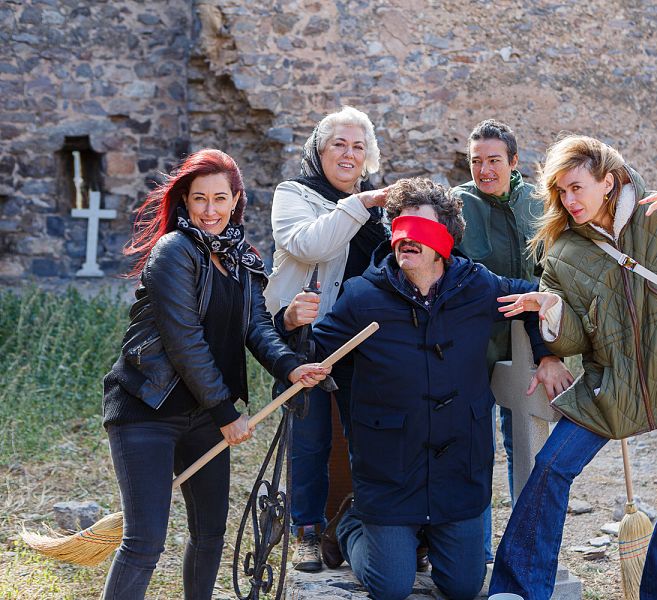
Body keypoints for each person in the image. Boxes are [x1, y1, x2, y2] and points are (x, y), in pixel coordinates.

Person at [488, 135, 657, 599]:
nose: (569, 201)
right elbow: (572, 339)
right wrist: (550, 309)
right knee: (551, 469)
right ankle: (518, 589)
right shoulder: (564, 252)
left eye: (576, 188)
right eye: (561, 192)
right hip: (611, 384)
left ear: (607, 181)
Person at [282, 177, 550, 600]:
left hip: (457, 467)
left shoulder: (476, 285)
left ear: (445, 239)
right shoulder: (361, 295)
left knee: (462, 588)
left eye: (420, 227)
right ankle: (351, 524)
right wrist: (290, 323)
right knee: (391, 588)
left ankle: (421, 543)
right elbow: (312, 352)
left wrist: (547, 354)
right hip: (390, 468)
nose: (405, 236)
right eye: (399, 225)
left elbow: (536, 300)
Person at [100, 149, 330, 600]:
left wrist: (289, 364)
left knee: (209, 536)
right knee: (144, 543)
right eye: (199, 198)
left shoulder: (242, 258)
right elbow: (185, 341)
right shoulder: (173, 252)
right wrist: (226, 411)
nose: (210, 210)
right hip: (147, 409)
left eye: (219, 198)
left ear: (235, 199)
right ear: (184, 201)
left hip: (203, 418)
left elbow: (256, 326)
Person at [263, 106, 390, 572]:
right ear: (319, 150)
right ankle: (307, 532)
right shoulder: (293, 194)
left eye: (358, 147)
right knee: (310, 439)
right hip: (308, 337)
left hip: (365, 342)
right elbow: (309, 246)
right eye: (339, 144)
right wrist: (363, 204)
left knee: (369, 438)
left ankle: (373, 530)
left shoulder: (377, 210)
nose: (349, 154)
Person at [452, 119, 574, 561]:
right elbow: (462, 280)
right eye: (476, 161)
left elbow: (556, 279)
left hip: (529, 342)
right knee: (472, 447)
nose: (485, 170)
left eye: (494, 161)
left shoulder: (541, 204)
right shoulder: (457, 206)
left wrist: (549, 352)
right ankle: (477, 552)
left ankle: (523, 549)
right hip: (474, 343)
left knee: (523, 440)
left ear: (514, 162)